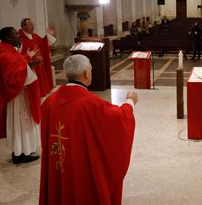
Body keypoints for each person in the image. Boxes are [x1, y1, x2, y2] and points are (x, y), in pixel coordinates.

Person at [39, 54, 138, 204]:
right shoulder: (91, 104)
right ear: (86, 73)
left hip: (58, 167)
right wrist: (129, 102)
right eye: (90, 69)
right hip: (81, 171)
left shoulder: (49, 102)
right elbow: (119, 118)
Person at [0, 27, 42, 164]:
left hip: (20, 95)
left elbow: (17, 67)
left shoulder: (7, 52)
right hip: (17, 98)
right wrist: (30, 65)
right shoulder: (6, 55)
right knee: (21, 124)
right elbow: (12, 79)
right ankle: (20, 154)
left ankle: (25, 149)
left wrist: (29, 62)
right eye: (15, 35)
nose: (19, 37)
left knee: (23, 125)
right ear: (8, 38)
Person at [18, 18, 56, 98]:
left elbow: (43, 43)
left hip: (39, 66)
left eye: (33, 24)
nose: (33, 26)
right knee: (33, 93)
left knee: (40, 91)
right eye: (30, 25)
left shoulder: (34, 36)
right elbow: (18, 55)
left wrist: (49, 35)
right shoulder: (19, 38)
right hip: (31, 67)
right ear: (23, 27)